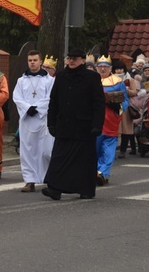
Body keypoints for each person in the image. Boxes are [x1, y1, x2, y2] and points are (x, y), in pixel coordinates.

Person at [42, 48, 104, 201]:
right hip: (64, 124)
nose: (71, 61)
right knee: (59, 157)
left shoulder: (92, 77)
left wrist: (97, 124)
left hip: (85, 126)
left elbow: (99, 103)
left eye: (75, 58)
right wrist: (51, 122)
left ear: (83, 60)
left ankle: (86, 189)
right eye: (70, 58)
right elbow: (54, 101)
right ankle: (55, 189)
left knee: (84, 160)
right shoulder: (61, 77)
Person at [12, 51, 54, 193]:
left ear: (40, 61)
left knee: (46, 151)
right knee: (28, 151)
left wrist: (38, 108)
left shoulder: (49, 80)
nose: (32, 62)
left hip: (44, 119)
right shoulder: (21, 81)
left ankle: (49, 177)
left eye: (35, 60)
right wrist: (27, 108)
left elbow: (51, 97)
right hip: (27, 120)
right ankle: (29, 181)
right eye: (30, 60)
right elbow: (17, 97)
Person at [94, 56, 129, 186]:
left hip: (110, 120)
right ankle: (95, 172)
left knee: (108, 150)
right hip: (95, 120)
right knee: (95, 149)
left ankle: (102, 173)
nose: (102, 69)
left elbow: (125, 100)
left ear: (110, 68)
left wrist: (118, 107)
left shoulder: (117, 82)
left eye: (105, 67)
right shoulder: (91, 80)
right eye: (100, 67)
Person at [118, 61, 144, 158]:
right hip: (113, 107)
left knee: (126, 130)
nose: (119, 71)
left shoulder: (130, 80)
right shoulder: (111, 79)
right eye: (117, 69)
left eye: (120, 69)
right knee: (113, 130)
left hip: (126, 107)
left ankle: (123, 150)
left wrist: (125, 89)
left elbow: (134, 93)